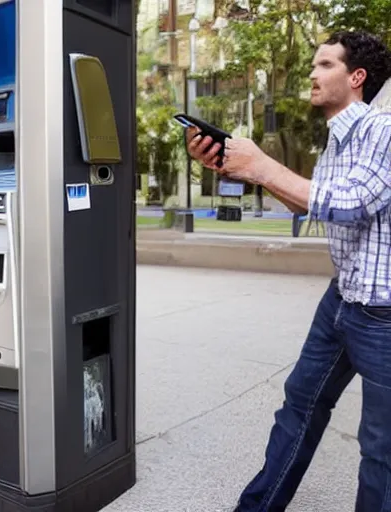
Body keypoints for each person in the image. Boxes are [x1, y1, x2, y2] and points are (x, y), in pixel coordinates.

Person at [186, 31, 391, 511]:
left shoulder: (383, 130)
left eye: (324, 65)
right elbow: (310, 202)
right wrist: (239, 168)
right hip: (340, 300)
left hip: (383, 315)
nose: (312, 74)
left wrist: (262, 165)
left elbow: (350, 204)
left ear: (356, 77)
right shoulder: (337, 141)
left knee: (381, 451)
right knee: (298, 408)